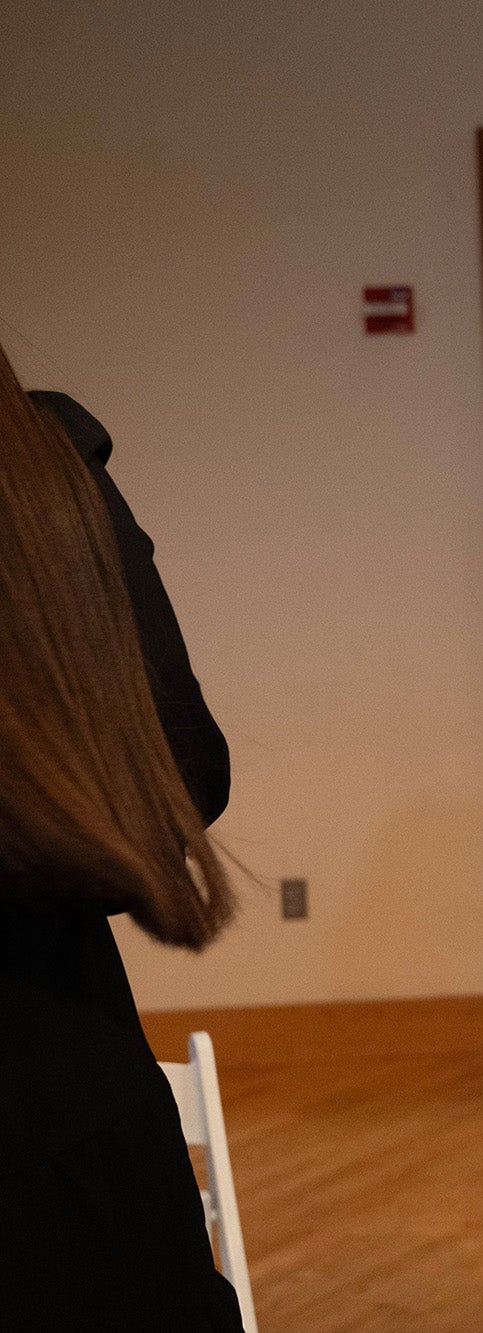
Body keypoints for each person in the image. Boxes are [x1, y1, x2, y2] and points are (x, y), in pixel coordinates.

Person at [0, 350, 243, 1328]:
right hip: (73, 1123)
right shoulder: (40, 468)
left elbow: (173, 782)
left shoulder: (41, 471)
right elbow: (178, 780)